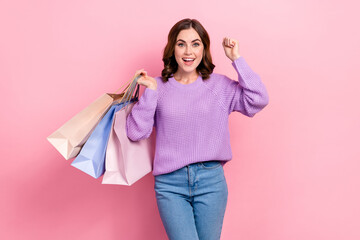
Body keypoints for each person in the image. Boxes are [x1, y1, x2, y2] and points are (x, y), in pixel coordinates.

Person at [126, 18, 269, 240]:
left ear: (204, 48)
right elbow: (136, 132)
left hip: (211, 181)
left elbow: (258, 100)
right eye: (181, 43)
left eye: (195, 44)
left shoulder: (219, 86)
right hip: (170, 185)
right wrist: (150, 94)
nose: (188, 51)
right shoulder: (158, 87)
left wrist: (236, 60)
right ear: (172, 48)